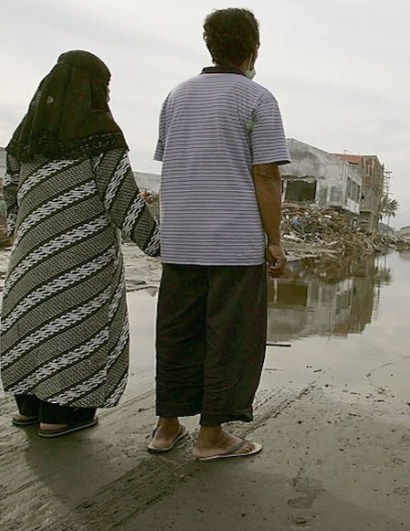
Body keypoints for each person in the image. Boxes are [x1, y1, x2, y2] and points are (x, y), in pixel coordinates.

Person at [149, 7, 289, 460]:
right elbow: (265, 175)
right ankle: (211, 437)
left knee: (177, 334)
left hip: (182, 241)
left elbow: (173, 161)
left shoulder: (176, 97)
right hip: (233, 243)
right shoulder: (257, 99)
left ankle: (166, 427)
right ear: (254, 50)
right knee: (230, 339)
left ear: (209, 46)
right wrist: (275, 241)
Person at [0, 50, 161, 438]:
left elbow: (10, 196)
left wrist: (25, 236)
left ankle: (29, 408)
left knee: (33, 322)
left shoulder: (24, 139)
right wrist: (160, 247)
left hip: (29, 256)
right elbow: (123, 202)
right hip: (83, 259)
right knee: (74, 328)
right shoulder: (101, 137)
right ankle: (60, 415)